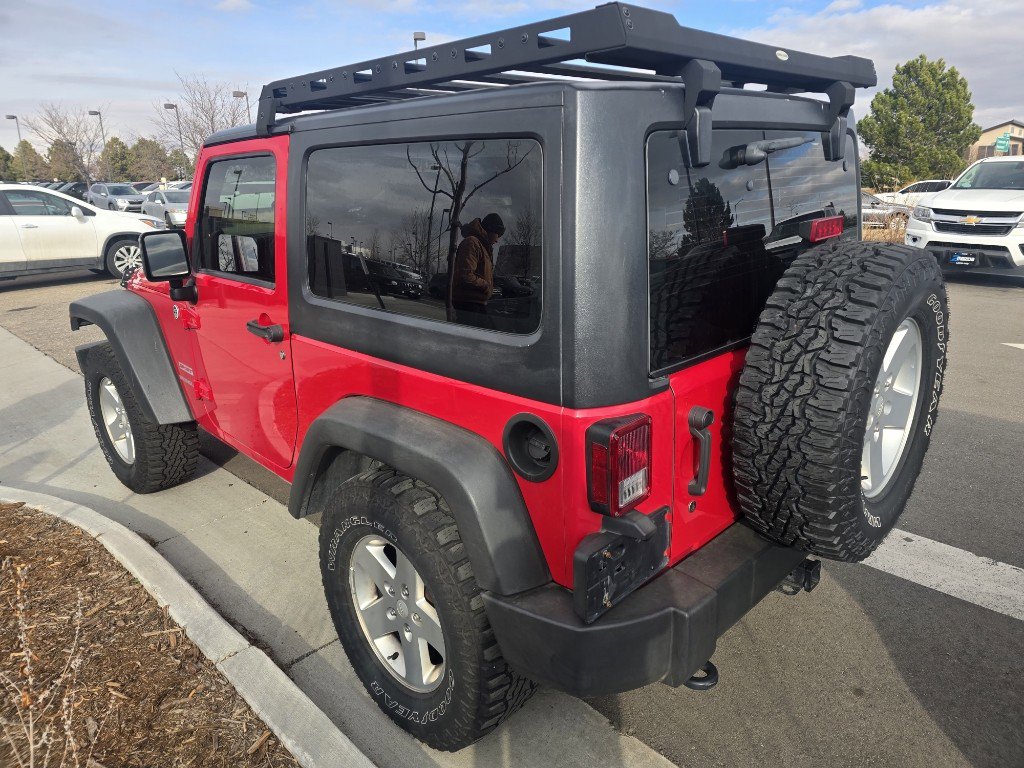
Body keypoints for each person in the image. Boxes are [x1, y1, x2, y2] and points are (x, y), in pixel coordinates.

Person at [451, 212, 504, 329]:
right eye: (498, 234)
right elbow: (465, 275)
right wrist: (486, 285)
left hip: (477, 303)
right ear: (491, 230)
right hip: (468, 305)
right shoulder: (472, 243)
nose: (497, 240)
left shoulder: (482, 246)